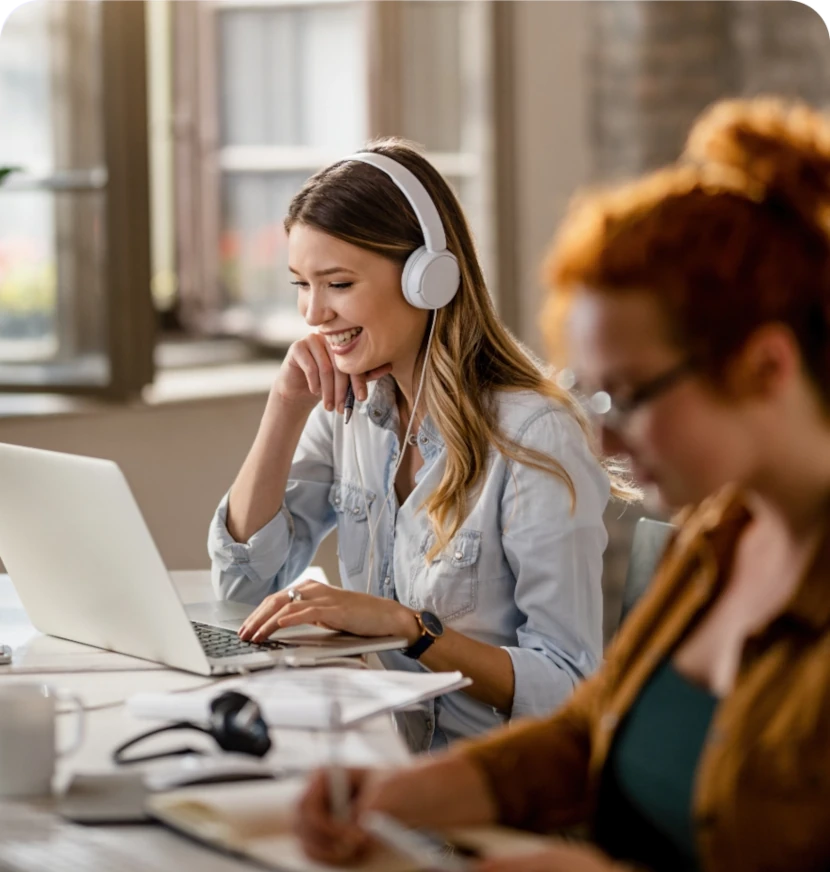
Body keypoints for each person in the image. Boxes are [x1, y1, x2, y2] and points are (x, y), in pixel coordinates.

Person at [295, 99, 830, 872]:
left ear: (766, 367)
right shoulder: (721, 541)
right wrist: (402, 795)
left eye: (629, 395)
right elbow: (591, 730)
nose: (604, 440)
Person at [208, 138, 621, 751]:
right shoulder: (351, 412)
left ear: (429, 278)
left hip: (486, 789)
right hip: (377, 758)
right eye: (301, 284)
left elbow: (568, 687)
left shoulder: (534, 437)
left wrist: (412, 631)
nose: (314, 313)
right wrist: (285, 406)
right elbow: (243, 585)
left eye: (338, 283)